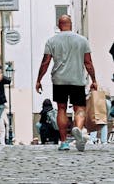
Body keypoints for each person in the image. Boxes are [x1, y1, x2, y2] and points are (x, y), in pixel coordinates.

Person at [35, 14, 97, 152]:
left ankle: (63, 142)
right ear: (71, 24)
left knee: (61, 108)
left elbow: (45, 62)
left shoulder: (52, 41)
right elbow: (88, 63)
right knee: (79, 108)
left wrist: (39, 80)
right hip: (77, 79)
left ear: (59, 25)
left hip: (59, 79)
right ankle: (78, 129)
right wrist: (94, 80)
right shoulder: (82, 40)